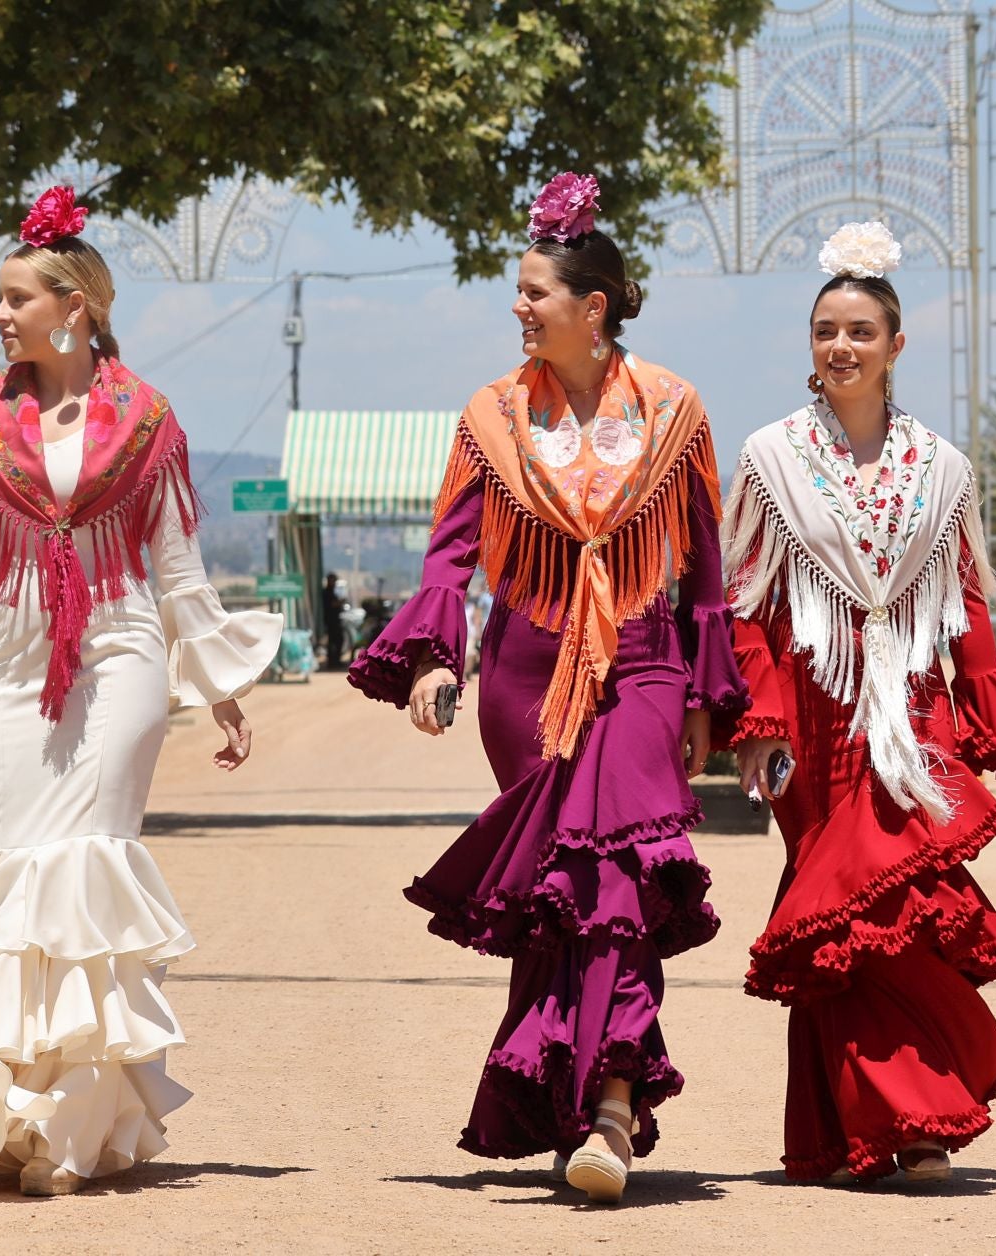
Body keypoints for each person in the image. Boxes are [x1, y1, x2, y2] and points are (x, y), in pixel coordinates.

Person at [0, 186, 281, 1197]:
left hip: (123, 651)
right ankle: (2, 1114)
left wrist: (219, 685)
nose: (0, 316)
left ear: (74, 307)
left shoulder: (148, 419)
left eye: (16, 298)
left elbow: (178, 564)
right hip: (7, 658)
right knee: (4, 867)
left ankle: (71, 1127)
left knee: (86, 873)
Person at [348, 173, 744, 1205]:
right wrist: (437, 658)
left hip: (646, 659)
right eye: (518, 294)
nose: (519, 308)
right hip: (525, 667)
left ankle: (612, 1104)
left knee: (620, 876)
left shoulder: (675, 409)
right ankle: (570, 1106)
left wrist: (704, 697)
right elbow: (449, 556)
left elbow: (702, 560)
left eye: (535, 292)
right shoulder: (490, 416)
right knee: (559, 895)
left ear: (592, 306)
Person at [724, 222, 996, 1184]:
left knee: (906, 902)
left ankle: (913, 1120)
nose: (841, 346)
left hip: (911, 716)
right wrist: (760, 723)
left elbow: (962, 608)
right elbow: (745, 607)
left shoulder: (943, 469)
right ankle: (862, 1129)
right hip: (814, 714)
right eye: (827, 329)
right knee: (836, 923)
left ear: (896, 345)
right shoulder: (770, 457)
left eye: (861, 330)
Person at [320, 571, 347, 669]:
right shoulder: (327, 592)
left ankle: (335, 661)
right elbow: (332, 604)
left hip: (334, 620)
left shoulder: (332, 591)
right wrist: (340, 602)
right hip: (331, 621)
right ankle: (333, 662)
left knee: (337, 641)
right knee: (335, 641)